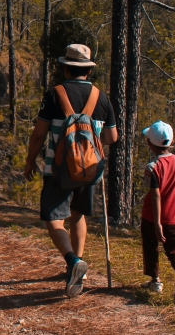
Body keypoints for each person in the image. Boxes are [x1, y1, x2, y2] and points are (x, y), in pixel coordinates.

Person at [24, 43, 118, 298]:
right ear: (87, 71)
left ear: (66, 68)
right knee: (78, 216)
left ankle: (73, 262)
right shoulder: (101, 97)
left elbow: (38, 135)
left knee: (55, 219)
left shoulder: (55, 95)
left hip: (58, 168)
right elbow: (112, 137)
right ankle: (80, 269)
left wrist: (30, 160)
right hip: (89, 169)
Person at [140, 121, 175, 304]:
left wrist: (158, 223)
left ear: (150, 144)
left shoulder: (152, 167)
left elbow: (155, 195)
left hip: (152, 217)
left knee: (151, 246)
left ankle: (155, 280)